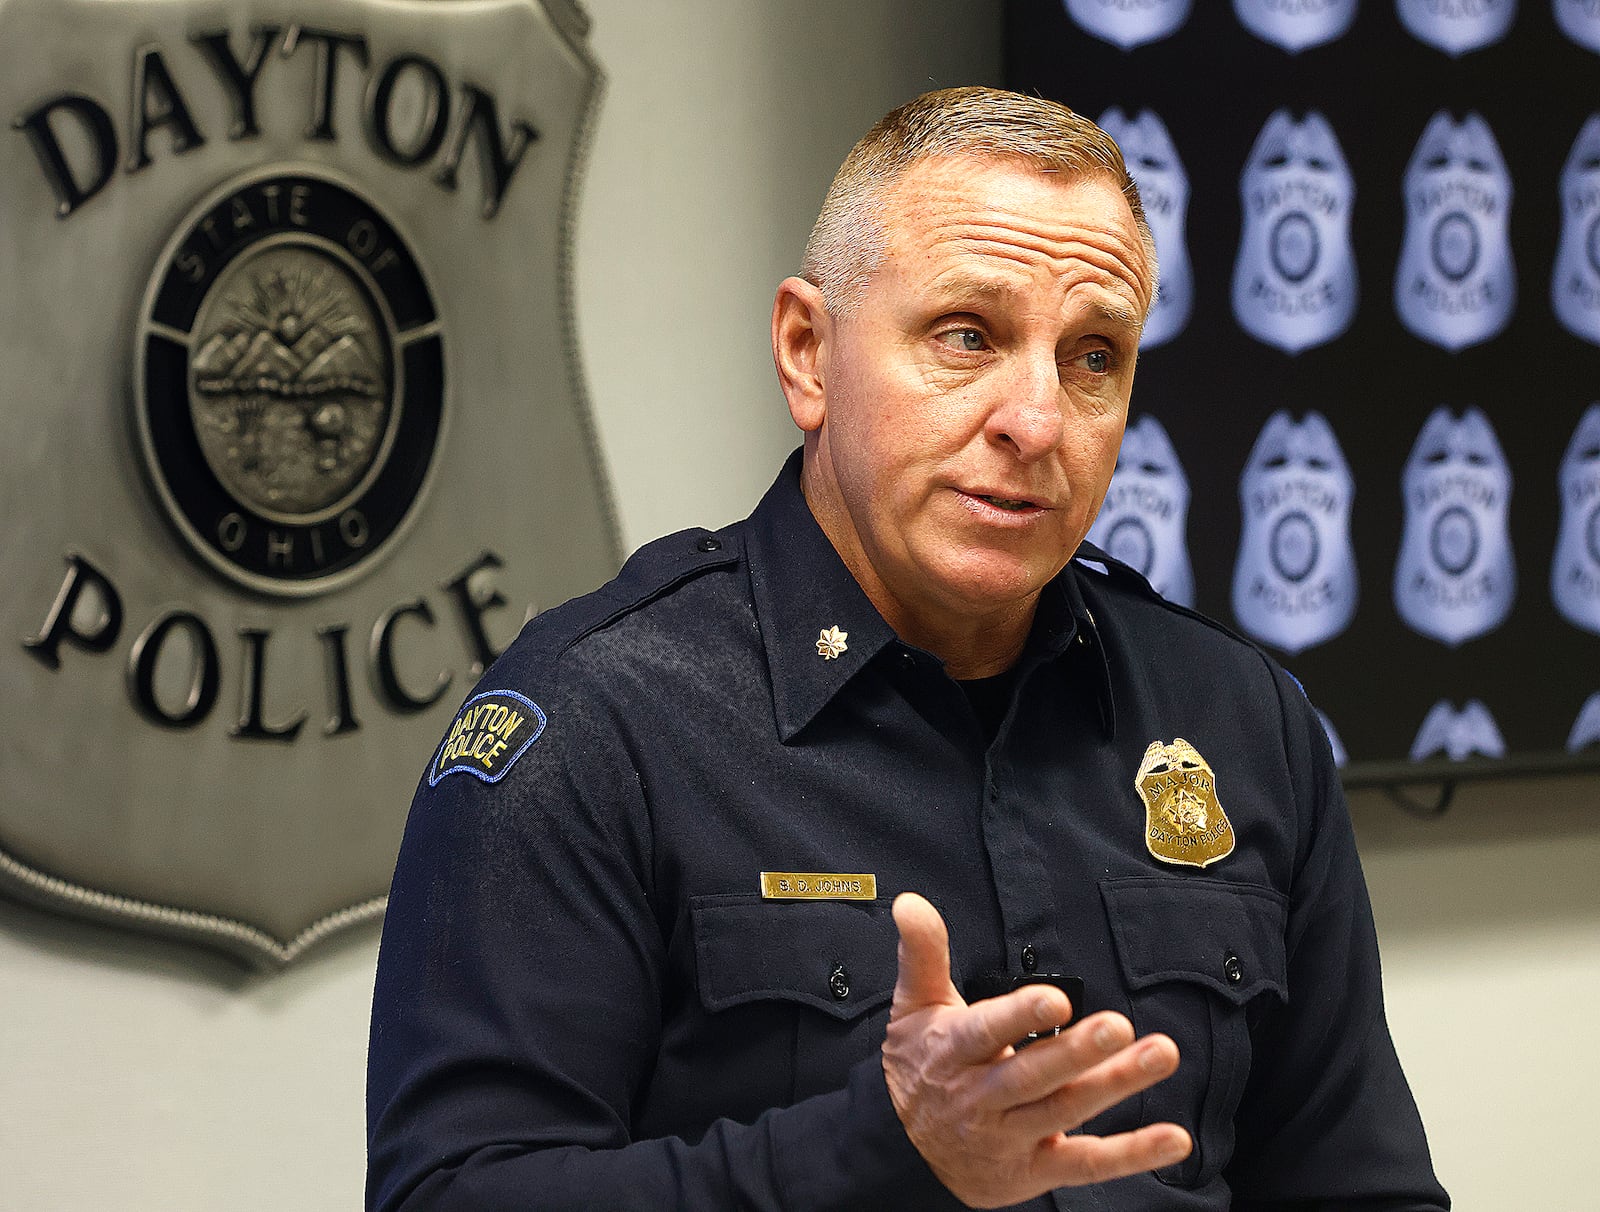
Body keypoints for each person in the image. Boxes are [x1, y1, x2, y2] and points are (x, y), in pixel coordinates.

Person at [366, 87, 1449, 1210]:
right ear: (807, 354)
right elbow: (453, 1196)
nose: (1035, 419)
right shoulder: (598, 721)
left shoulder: (1238, 719)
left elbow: (1358, 1188)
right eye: (967, 336)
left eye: (1091, 357)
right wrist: (883, 1150)